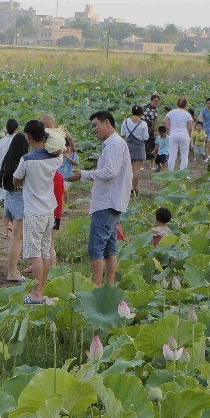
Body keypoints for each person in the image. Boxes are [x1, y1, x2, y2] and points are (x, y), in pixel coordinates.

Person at [66, 111, 133, 287]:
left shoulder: (114, 144)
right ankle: (108, 287)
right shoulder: (114, 144)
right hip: (112, 201)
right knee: (110, 249)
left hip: (107, 202)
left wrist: (84, 174)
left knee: (96, 248)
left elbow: (111, 171)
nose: (94, 129)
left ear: (107, 123)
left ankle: (95, 288)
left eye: (96, 125)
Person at [14, 120, 63, 305]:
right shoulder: (55, 159)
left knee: (35, 253)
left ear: (27, 136)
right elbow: (60, 147)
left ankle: (36, 293)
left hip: (34, 211)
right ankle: (42, 289)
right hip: (49, 210)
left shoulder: (26, 160)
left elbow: (16, 180)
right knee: (45, 252)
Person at [0, 132, 30, 282]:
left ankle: (13, 270)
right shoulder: (23, 161)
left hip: (9, 198)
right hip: (19, 200)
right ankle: (12, 272)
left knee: (14, 237)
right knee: (17, 238)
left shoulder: (8, 159)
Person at [0, 119, 18, 239]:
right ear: (17, 128)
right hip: (15, 174)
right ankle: (14, 228)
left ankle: (7, 231)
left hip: (2, 173)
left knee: (5, 203)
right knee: (15, 201)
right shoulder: (19, 140)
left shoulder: (0, 142)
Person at [119, 106, 149, 196]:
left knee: (127, 169)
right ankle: (134, 189)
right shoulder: (143, 124)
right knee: (136, 169)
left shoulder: (125, 121)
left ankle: (125, 188)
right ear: (141, 113)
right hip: (139, 147)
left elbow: (123, 134)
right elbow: (145, 137)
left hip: (127, 146)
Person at [165, 98, 195, 171]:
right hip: (183, 134)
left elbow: (164, 121)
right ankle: (182, 173)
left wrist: (169, 128)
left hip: (173, 134)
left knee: (172, 155)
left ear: (177, 104)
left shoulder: (171, 112)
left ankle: (170, 172)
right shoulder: (187, 114)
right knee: (184, 155)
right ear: (185, 105)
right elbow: (190, 127)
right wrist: (189, 135)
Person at [142, 94, 162, 161]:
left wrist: (155, 131)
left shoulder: (156, 111)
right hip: (141, 127)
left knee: (150, 144)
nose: (156, 103)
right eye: (154, 101)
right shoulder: (144, 106)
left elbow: (155, 122)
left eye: (157, 101)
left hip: (149, 128)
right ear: (151, 100)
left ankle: (150, 159)